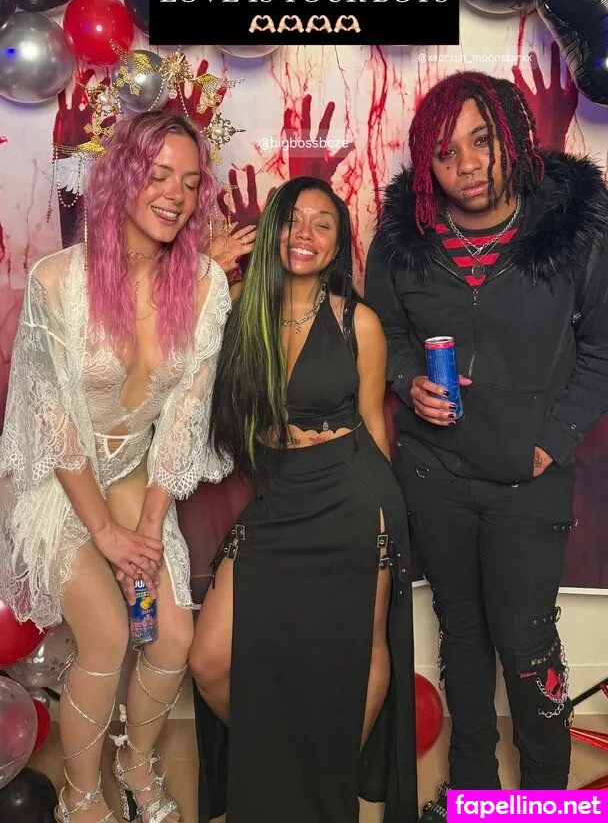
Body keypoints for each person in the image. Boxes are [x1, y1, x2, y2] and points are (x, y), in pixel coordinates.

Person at [364, 70, 608, 817]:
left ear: (513, 140)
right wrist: (407, 378)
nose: (467, 165)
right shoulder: (404, 239)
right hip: (433, 471)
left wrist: (552, 440)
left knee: (527, 642)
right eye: (445, 153)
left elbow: (601, 351)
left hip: (528, 477)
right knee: (462, 633)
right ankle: (471, 790)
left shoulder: (572, 232)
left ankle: (544, 796)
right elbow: (385, 330)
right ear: (426, 165)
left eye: (482, 142)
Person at [0, 110, 234, 823]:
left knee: (173, 635)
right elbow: (52, 421)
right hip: (54, 478)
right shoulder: (56, 280)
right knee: (105, 634)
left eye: (189, 183)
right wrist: (105, 535)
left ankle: (135, 764)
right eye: (158, 175)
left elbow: (185, 418)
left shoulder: (204, 285)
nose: (175, 195)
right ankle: (79, 796)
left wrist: (149, 530)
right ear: (122, 178)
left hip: (135, 473)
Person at [188, 177, 418, 823]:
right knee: (209, 658)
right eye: (293, 219)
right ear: (272, 232)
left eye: (323, 223)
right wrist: (208, 272)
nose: (306, 234)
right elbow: (170, 358)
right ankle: (280, 764)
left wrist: (387, 518)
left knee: (361, 647)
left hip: (353, 495)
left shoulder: (356, 322)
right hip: (279, 494)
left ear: (338, 245)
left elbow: (373, 424)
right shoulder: (234, 309)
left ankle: (327, 774)